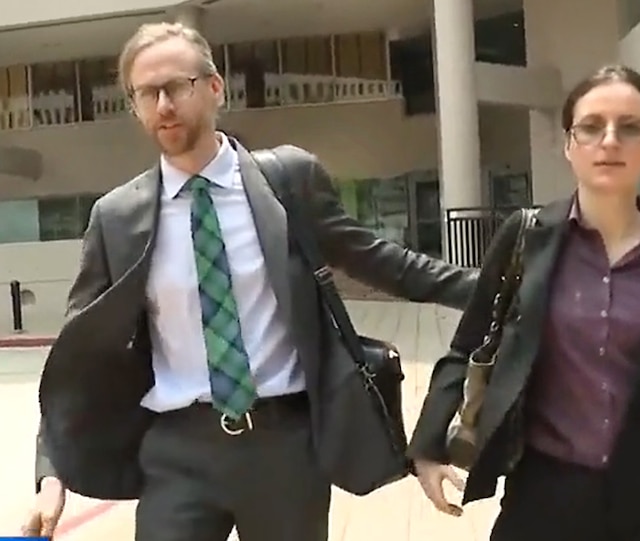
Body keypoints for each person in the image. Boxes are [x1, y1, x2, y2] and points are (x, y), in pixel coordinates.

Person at [22, 22, 478, 541]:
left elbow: (383, 262)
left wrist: (498, 291)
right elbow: (79, 357)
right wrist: (50, 471)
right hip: (176, 454)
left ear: (215, 87)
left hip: (285, 448)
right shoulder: (117, 217)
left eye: (176, 86)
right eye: (146, 94)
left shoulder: (286, 182)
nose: (163, 105)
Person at [408, 64, 640, 541]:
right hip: (544, 498)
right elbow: (467, 346)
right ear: (568, 144)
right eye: (591, 127)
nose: (610, 141)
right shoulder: (526, 238)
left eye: (631, 127)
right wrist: (427, 447)